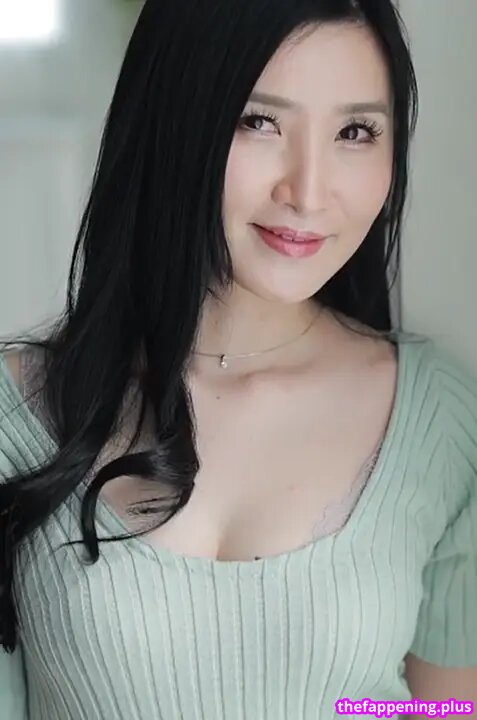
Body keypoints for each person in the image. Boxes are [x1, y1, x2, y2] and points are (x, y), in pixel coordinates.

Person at [0, 0, 476, 718]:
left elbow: (447, 710)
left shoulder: (440, 418)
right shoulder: (18, 418)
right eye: (259, 121)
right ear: (174, 118)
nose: (307, 192)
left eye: (355, 131)